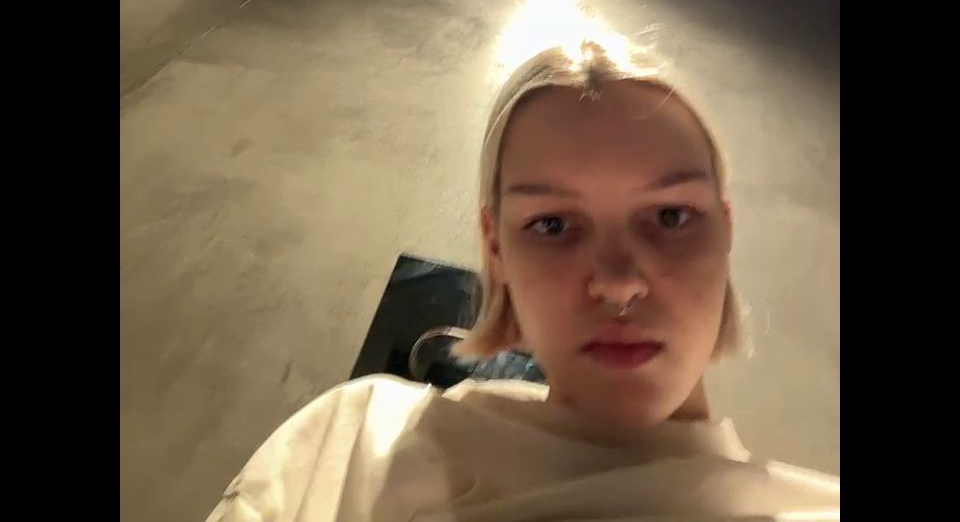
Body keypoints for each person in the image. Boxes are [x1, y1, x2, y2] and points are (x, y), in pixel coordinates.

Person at [205, 38, 840, 521]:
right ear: (496, 247)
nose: (619, 285)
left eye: (671, 216)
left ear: (725, 231)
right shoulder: (350, 449)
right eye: (553, 224)